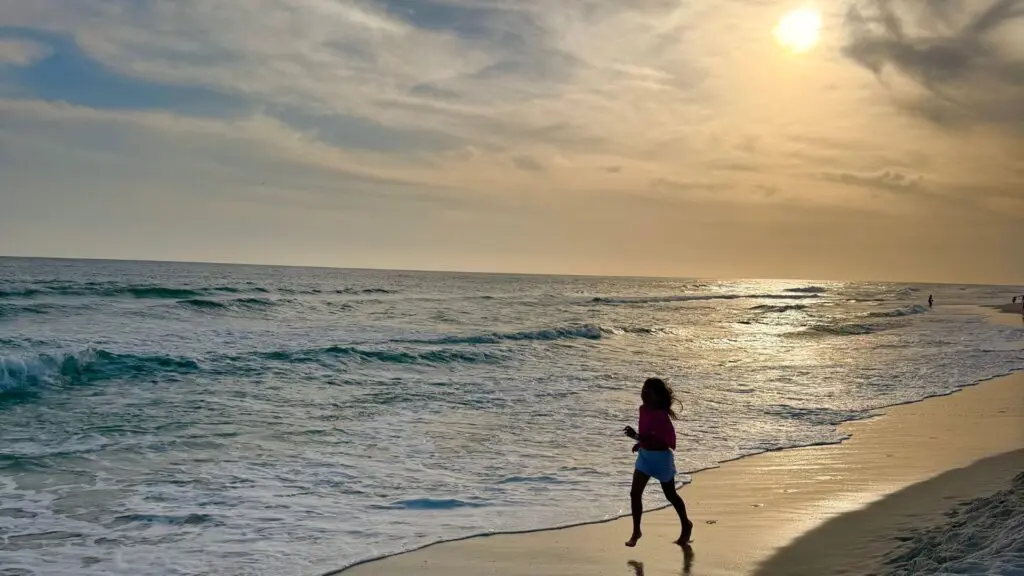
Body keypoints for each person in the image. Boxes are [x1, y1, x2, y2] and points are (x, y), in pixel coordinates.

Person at [623, 377, 693, 547]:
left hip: (662, 459)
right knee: (635, 493)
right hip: (645, 458)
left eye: (648, 392)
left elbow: (662, 441)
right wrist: (640, 443)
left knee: (670, 495)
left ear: (658, 396)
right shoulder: (643, 410)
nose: (644, 394)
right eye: (643, 390)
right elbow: (648, 434)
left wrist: (638, 438)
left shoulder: (661, 416)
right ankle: (636, 531)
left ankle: (686, 523)